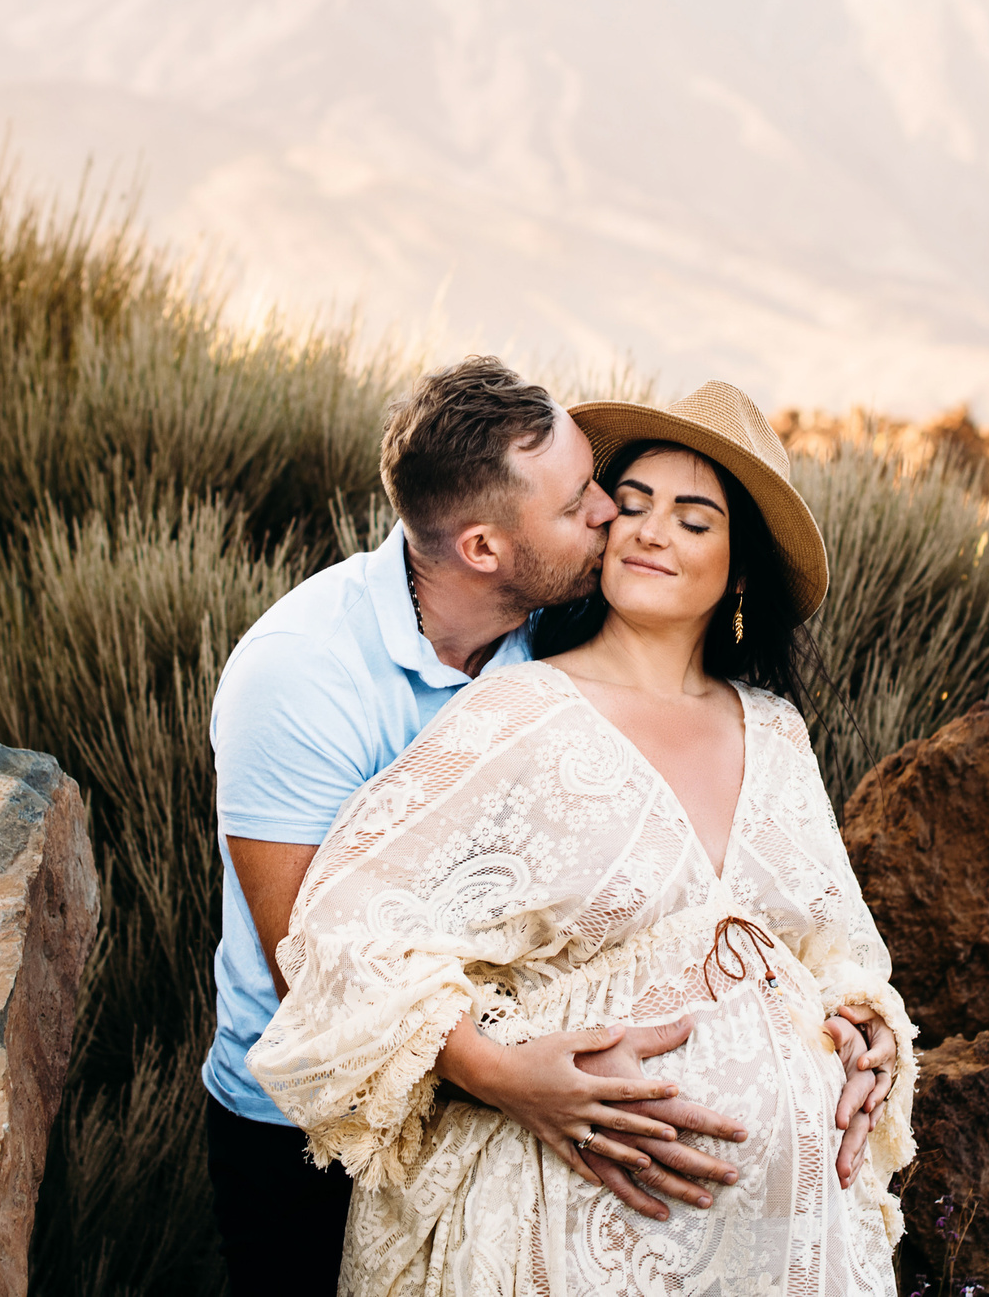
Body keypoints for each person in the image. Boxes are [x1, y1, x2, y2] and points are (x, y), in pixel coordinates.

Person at [251, 380, 915, 1296]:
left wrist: (866, 1027)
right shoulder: (519, 712)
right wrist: (502, 1066)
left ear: (740, 567)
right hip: (565, 1231)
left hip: (783, 1253)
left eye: (693, 519)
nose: (647, 531)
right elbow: (339, 920)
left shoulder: (776, 732)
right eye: (630, 505)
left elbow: (836, 946)